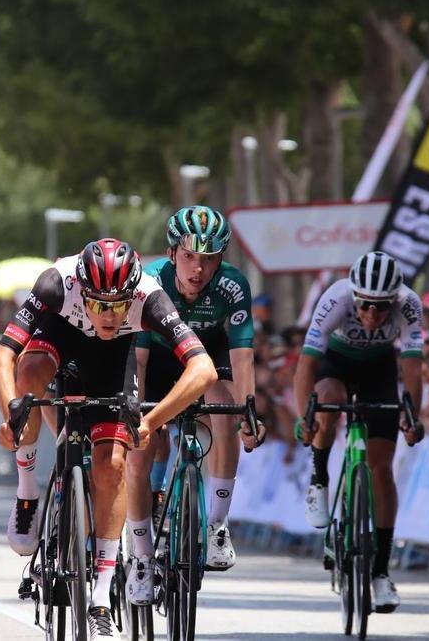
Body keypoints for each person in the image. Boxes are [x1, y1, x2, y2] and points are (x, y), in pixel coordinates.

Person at [0, 238, 217, 639]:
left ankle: (100, 591)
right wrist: (11, 413)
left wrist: (151, 420)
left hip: (113, 362)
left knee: (113, 465)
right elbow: (1, 357)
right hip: (59, 339)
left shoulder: (149, 295)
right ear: (81, 287)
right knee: (28, 376)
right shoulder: (54, 283)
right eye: (97, 303)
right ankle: (27, 495)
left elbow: (204, 370)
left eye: (117, 305)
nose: (108, 315)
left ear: (133, 291)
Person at [123, 206, 264, 605]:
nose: (197, 269)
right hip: (158, 358)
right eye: (188, 256)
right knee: (141, 451)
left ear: (221, 259)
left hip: (208, 357)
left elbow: (242, 357)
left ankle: (217, 526)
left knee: (224, 404)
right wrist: (140, 416)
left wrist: (248, 411)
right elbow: (141, 359)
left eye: (208, 259)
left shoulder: (233, 286)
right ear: (172, 254)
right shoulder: (149, 282)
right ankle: (142, 558)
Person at [293, 250, 423, 613]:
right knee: (328, 399)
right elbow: (306, 367)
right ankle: (319, 477)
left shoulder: (410, 305)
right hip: (336, 363)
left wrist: (413, 416)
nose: (371, 314)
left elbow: (413, 370)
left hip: (380, 370)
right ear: (354, 296)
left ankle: (380, 573)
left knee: (381, 470)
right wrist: (305, 417)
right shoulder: (335, 297)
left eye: (381, 307)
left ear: (394, 300)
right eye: (364, 304)